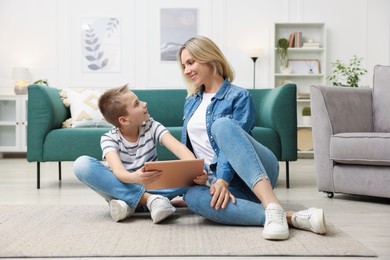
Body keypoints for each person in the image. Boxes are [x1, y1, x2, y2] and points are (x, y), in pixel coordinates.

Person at [177, 35, 326, 240]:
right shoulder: (190, 102)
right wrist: (202, 175)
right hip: (223, 186)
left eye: (191, 62)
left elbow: (232, 146)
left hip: (256, 171)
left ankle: (271, 203)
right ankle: (287, 217)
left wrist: (222, 179)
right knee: (192, 197)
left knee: (222, 125)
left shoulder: (239, 96)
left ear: (209, 57)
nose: (186, 70)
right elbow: (195, 151)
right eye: (184, 65)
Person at [73, 85, 207, 223]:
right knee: (82, 164)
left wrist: (194, 169)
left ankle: (131, 205)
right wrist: (134, 177)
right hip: (123, 187)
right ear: (124, 120)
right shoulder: (109, 139)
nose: (144, 104)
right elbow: (119, 172)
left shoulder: (151, 126)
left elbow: (179, 149)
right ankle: (149, 201)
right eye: (137, 104)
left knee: (200, 171)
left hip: (151, 187)